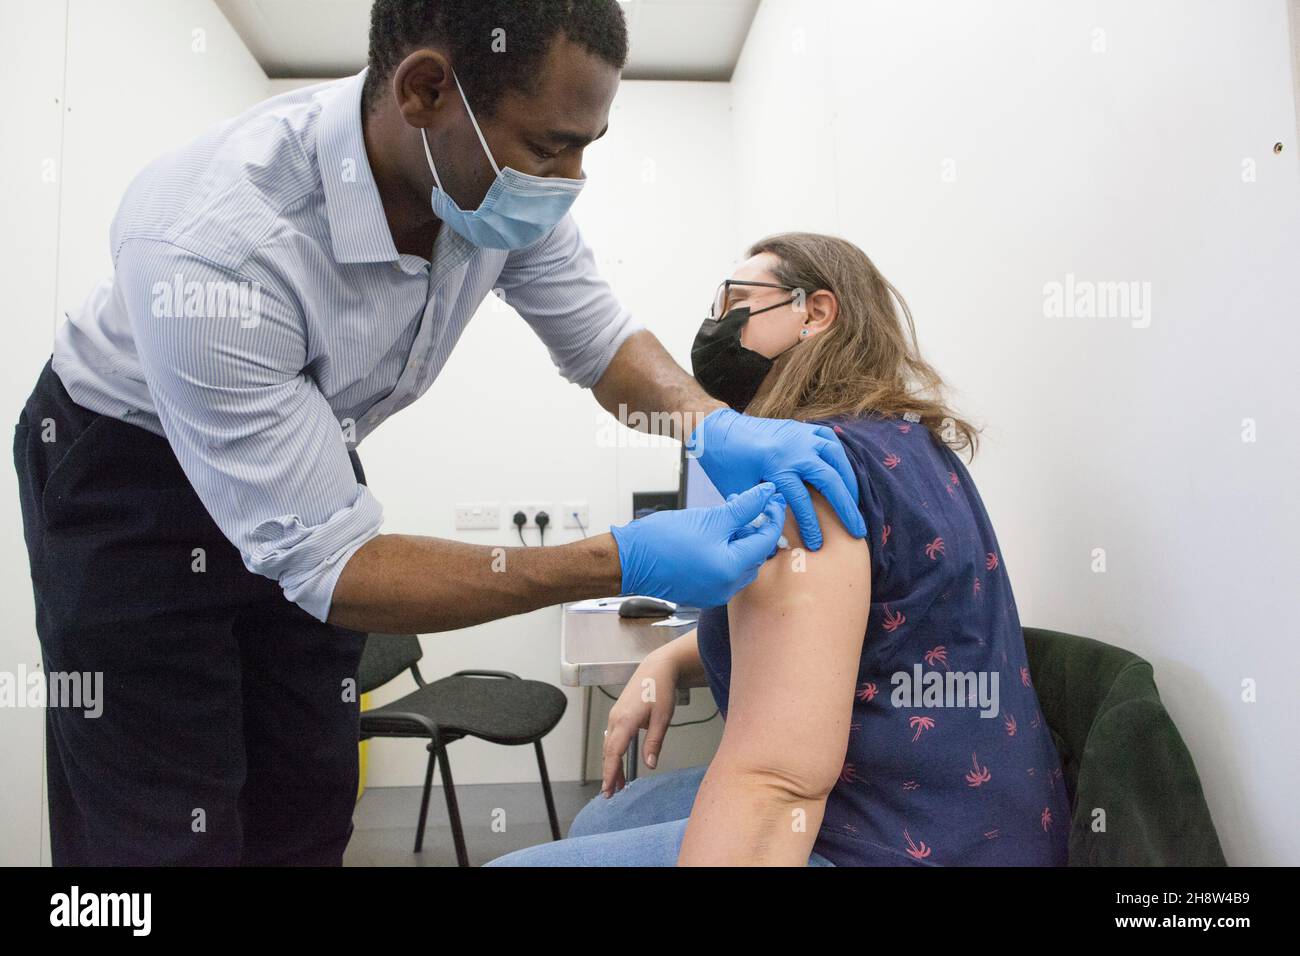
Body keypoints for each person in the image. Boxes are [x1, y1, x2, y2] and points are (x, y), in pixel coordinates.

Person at [11, 3, 866, 866]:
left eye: (586, 146)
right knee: (161, 826)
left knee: (307, 792)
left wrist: (715, 431)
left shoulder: (488, 186)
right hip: (130, 470)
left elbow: (600, 343)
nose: (571, 178)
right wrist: (620, 557)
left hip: (301, 437)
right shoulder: (212, 239)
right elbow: (329, 564)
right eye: (548, 146)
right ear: (426, 90)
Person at [487, 232, 1072, 866]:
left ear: (815, 312)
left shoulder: (809, 474)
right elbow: (853, 626)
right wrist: (668, 661)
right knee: (609, 814)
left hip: (905, 841)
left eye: (735, 300)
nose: (716, 324)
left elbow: (776, 783)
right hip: (991, 815)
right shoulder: (910, 443)